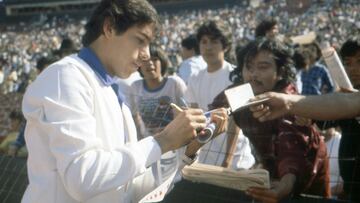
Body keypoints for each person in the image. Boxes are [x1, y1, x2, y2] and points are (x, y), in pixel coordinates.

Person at [21, 1, 227, 202]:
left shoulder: (112, 92)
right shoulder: (65, 76)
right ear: (109, 27)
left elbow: (131, 189)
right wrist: (164, 140)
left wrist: (186, 149)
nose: (146, 55)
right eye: (140, 40)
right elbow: (82, 177)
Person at [212, 38, 330, 202]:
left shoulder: (287, 101)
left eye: (262, 67)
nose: (253, 74)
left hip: (306, 174)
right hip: (271, 171)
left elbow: (291, 149)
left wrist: (285, 184)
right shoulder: (242, 92)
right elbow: (213, 112)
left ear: (281, 72)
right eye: (249, 67)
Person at [252, 36, 360, 201]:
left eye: (359, 61)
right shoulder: (344, 95)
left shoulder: (349, 98)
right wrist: (310, 117)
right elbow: (329, 117)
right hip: (353, 185)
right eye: (348, 63)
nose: (353, 69)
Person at [185, 20, 254, 170]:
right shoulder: (194, 78)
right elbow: (196, 117)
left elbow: (236, 122)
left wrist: (227, 161)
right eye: (204, 42)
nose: (208, 47)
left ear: (226, 46)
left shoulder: (236, 76)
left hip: (236, 162)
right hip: (206, 160)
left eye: (214, 41)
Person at [128, 44, 187, 198]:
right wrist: (141, 136)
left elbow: (187, 113)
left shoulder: (174, 84)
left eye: (155, 59)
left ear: (163, 62)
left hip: (176, 149)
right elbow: (134, 115)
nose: (150, 64)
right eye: (145, 60)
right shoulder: (135, 87)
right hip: (151, 148)